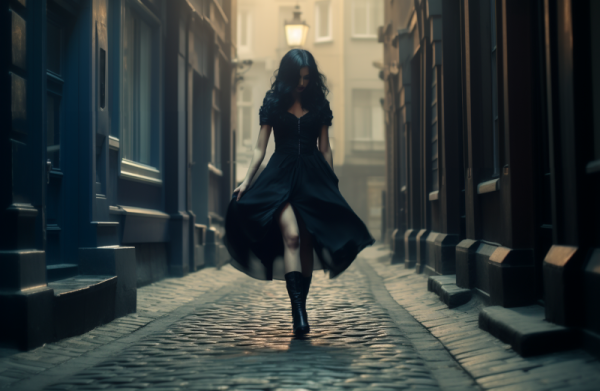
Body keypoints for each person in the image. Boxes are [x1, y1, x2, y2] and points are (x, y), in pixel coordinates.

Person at [224, 49, 375, 336]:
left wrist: (331, 183)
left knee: (305, 241)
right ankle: (297, 312)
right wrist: (246, 182)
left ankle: (301, 310)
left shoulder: (318, 105)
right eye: (299, 77)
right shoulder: (273, 103)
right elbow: (260, 148)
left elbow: (325, 148)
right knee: (291, 236)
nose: (303, 83)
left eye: (308, 78)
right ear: (288, 75)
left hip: (312, 178)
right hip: (279, 177)